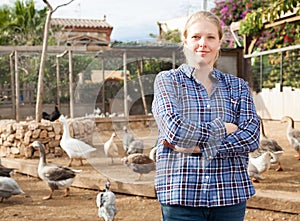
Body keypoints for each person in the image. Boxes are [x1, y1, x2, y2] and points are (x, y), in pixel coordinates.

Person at [151, 11, 260, 221]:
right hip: (181, 194)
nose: (203, 44)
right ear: (185, 41)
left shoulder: (237, 86)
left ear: (220, 42)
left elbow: (251, 136)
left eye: (210, 37)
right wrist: (224, 129)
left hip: (229, 194)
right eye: (196, 37)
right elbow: (175, 130)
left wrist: (201, 147)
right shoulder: (168, 81)